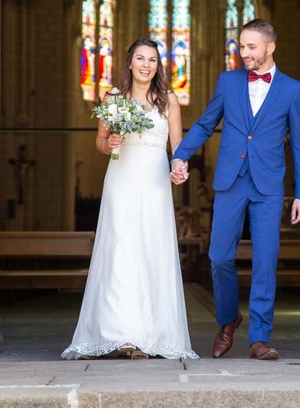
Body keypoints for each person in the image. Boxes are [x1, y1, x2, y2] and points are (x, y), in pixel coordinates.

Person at [171, 19, 300, 360]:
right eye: (241, 46)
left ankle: (260, 338)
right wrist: (179, 155)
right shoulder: (229, 81)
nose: (243, 53)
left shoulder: (293, 89)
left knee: (266, 260)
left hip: (268, 186)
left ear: (269, 47)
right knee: (219, 256)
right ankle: (228, 318)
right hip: (230, 181)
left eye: (250, 47)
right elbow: (206, 122)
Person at [62, 39, 198, 361]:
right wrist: (110, 142)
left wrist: (180, 167)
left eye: (152, 59)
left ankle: (153, 334)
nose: (146, 64)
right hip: (121, 179)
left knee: (152, 249)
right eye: (140, 58)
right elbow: (99, 141)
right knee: (121, 248)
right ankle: (121, 333)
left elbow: (178, 147)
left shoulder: (169, 100)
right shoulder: (113, 98)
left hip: (154, 182)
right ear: (130, 62)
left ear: (158, 65)